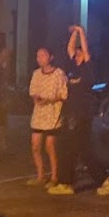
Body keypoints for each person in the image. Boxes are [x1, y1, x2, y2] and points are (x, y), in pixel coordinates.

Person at [61, 26, 109, 196]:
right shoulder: (73, 67)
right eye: (77, 53)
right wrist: (74, 34)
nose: (77, 53)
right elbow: (69, 48)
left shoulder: (88, 67)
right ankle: (69, 182)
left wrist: (81, 31)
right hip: (73, 112)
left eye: (80, 52)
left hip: (82, 112)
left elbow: (85, 48)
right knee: (78, 148)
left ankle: (101, 180)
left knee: (76, 148)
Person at [27, 47, 69, 192]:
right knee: (35, 145)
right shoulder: (36, 74)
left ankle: (54, 176)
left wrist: (50, 100)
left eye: (43, 55)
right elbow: (32, 91)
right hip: (39, 115)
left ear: (51, 57)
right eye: (38, 56)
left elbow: (64, 95)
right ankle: (40, 175)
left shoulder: (59, 74)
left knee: (50, 146)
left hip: (53, 115)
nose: (40, 58)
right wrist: (37, 98)